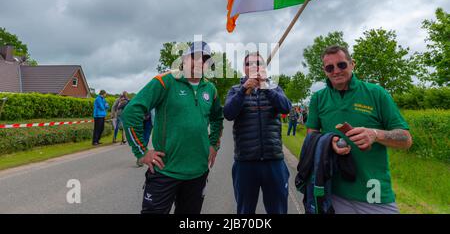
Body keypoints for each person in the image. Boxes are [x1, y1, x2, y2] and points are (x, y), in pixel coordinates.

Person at [305, 45, 413, 214]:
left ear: (352, 64)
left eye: (341, 65)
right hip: (333, 190)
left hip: (373, 191)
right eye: (329, 67)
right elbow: (311, 137)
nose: (336, 71)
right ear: (324, 70)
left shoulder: (377, 93)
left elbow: (406, 140)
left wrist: (375, 134)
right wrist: (329, 142)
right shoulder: (318, 99)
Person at [121, 41, 224, 214]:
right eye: (195, 57)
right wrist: (142, 152)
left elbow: (217, 118)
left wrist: (214, 144)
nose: (200, 62)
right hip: (165, 171)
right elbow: (131, 112)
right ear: (184, 59)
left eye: (205, 60)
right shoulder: (165, 81)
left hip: (198, 173)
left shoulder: (210, 89)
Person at [223, 52, 292, 214]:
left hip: (273, 161)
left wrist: (265, 87)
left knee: (278, 210)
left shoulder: (274, 87)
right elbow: (228, 113)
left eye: (257, 63)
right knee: (245, 211)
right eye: (249, 64)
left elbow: (286, 108)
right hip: (245, 162)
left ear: (263, 67)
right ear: (244, 68)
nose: (253, 66)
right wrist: (243, 90)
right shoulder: (235, 90)